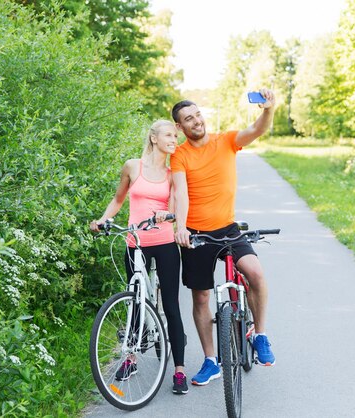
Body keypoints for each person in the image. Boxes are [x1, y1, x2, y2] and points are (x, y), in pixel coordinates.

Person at [170, 89, 277, 386]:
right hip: (195, 233)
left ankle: (260, 334)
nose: (196, 121)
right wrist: (181, 227)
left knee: (255, 272)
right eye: (188, 119)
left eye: (197, 115)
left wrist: (268, 109)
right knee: (201, 296)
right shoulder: (179, 155)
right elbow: (180, 193)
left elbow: (257, 129)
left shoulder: (225, 140)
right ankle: (210, 360)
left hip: (228, 229)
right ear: (180, 127)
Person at [89, 120, 188, 395]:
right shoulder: (133, 166)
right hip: (135, 242)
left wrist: (168, 215)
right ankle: (131, 358)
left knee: (170, 304)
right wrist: (102, 219)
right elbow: (118, 200)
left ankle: (179, 370)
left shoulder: (172, 172)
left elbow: (175, 206)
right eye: (169, 135)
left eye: (175, 136)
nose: (174, 139)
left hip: (165, 243)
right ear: (154, 138)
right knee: (135, 300)